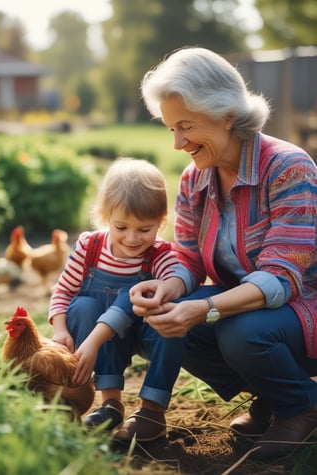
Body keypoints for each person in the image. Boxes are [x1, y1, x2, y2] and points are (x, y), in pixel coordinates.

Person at [130, 46, 317, 458]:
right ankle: (270, 394)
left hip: (304, 307)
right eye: (170, 129)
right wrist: (168, 289)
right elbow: (189, 259)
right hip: (253, 312)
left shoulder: (288, 167)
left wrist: (205, 308)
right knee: (158, 323)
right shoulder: (195, 179)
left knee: (239, 331)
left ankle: (301, 406)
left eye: (186, 126)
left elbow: (283, 277)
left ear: (227, 115)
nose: (178, 143)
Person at [48, 157, 193, 441]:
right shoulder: (89, 247)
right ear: (105, 217)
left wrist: (167, 287)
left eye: (144, 229)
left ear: (161, 222)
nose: (132, 238)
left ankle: (152, 409)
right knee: (82, 306)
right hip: (105, 339)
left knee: (171, 321)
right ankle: (111, 402)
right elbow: (63, 291)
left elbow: (170, 284)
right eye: (121, 227)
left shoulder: (160, 255)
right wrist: (60, 330)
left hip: (142, 331)